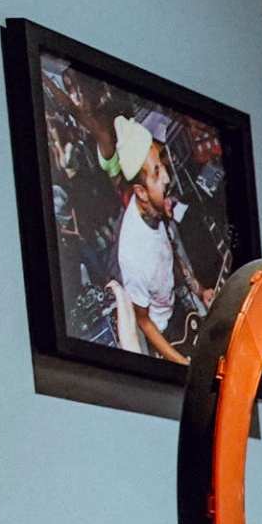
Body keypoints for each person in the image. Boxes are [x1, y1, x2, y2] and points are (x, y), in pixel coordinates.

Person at [109, 116, 190, 364]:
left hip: (178, 306)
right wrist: (182, 364)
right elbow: (143, 321)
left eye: (162, 164)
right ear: (141, 192)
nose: (166, 177)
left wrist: (197, 287)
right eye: (156, 173)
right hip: (167, 334)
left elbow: (170, 252)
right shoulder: (133, 255)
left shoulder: (157, 208)